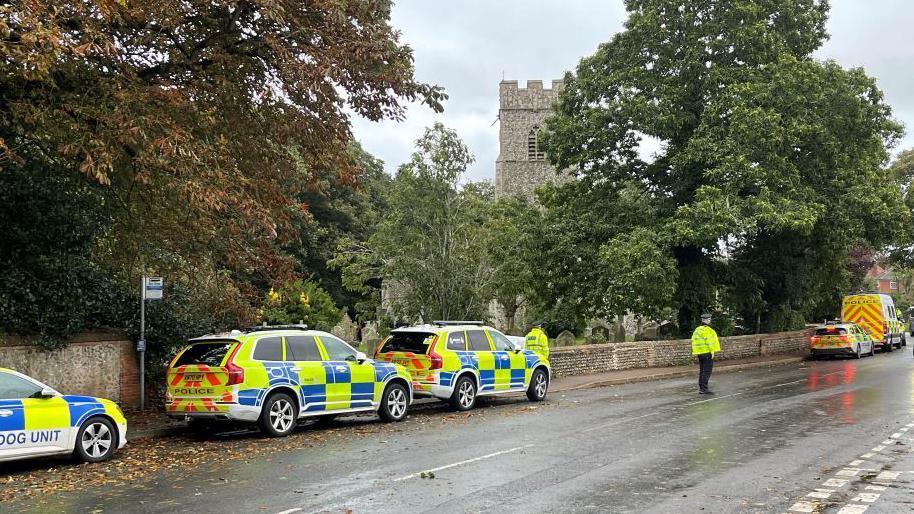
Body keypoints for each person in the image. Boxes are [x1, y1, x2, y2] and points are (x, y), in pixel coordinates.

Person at [691, 313, 720, 395]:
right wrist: (712, 351)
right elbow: (710, 342)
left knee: (702, 371)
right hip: (707, 352)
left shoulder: (697, 330)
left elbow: (693, 340)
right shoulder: (708, 330)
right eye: (709, 319)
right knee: (707, 371)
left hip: (700, 353)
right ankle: (704, 389)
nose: (710, 321)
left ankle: (701, 388)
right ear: (707, 320)